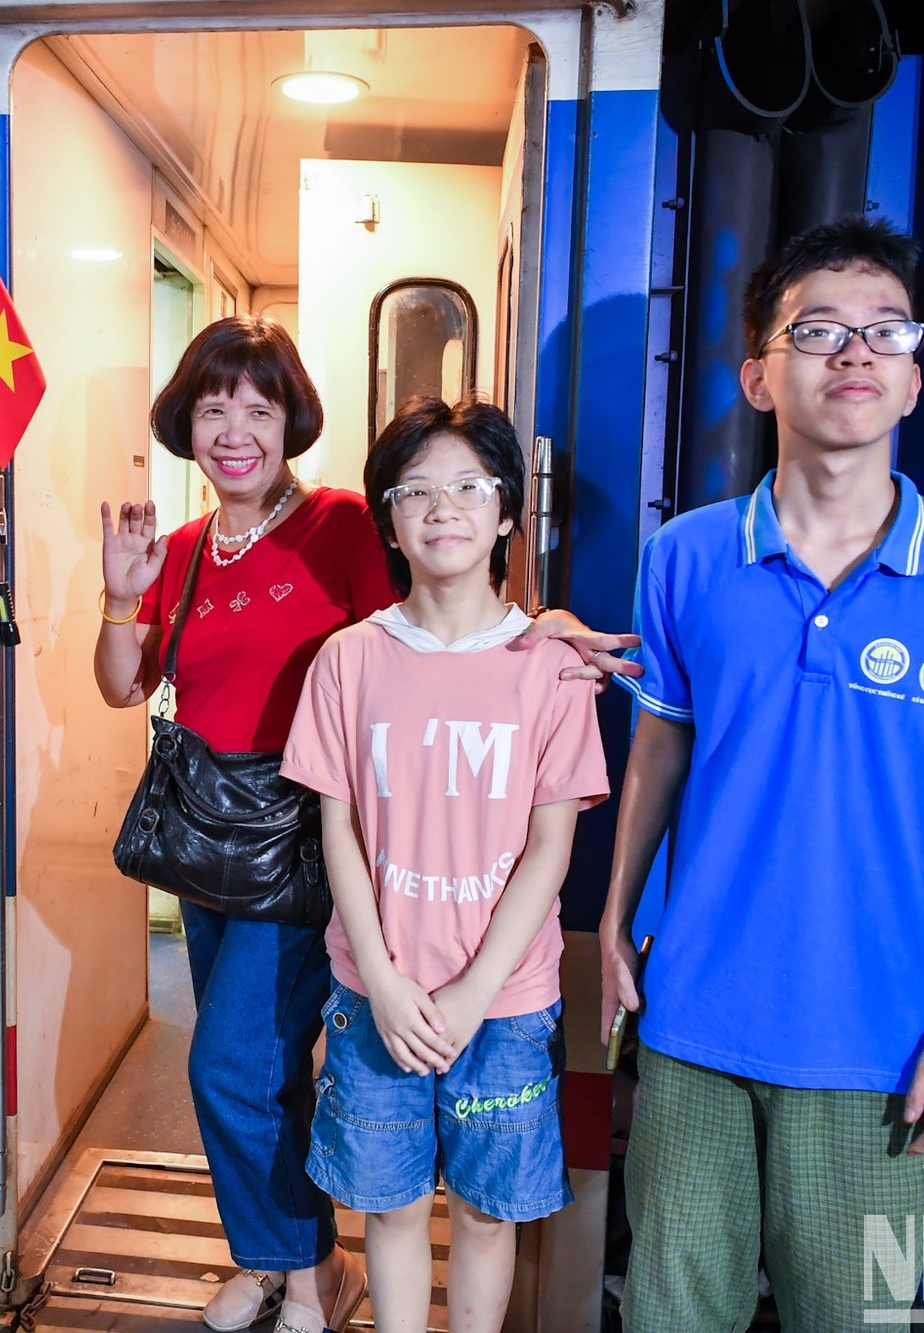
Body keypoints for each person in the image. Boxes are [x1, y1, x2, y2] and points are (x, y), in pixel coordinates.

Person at [94, 317, 636, 1333]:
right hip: (212, 846)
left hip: (306, 841)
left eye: (258, 407)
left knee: (232, 1067)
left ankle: (304, 1270)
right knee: (254, 1068)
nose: (235, 430)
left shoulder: (343, 522)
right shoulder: (180, 550)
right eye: (214, 409)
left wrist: (546, 631)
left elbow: (444, 615)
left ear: (291, 418)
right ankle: (280, 1259)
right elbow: (127, 686)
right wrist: (116, 598)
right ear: (184, 423)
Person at [601, 216, 924, 1332]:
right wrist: (615, 924)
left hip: (882, 1035)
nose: (852, 353)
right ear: (758, 375)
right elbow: (657, 753)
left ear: (911, 382)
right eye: (815, 330)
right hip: (693, 1026)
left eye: (883, 333)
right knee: (672, 1313)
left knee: (850, 1317)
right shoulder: (684, 558)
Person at [281, 398, 611, 1333]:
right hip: (373, 991)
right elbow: (336, 828)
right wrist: (382, 980)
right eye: (415, 488)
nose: (443, 506)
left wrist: (471, 992)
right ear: (388, 516)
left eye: (470, 485)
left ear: (508, 510)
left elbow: (553, 844)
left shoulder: (552, 663)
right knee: (386, 1206)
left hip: (504, 1003)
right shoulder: (349, 660)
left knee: (483, 1210)